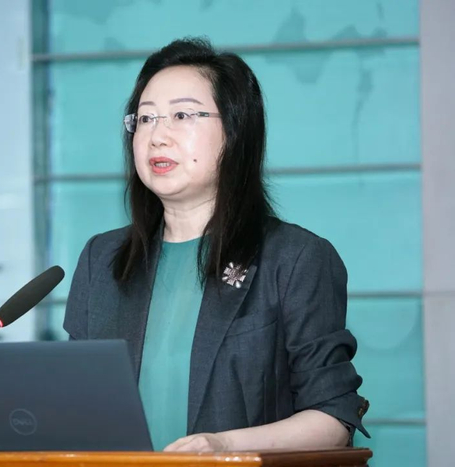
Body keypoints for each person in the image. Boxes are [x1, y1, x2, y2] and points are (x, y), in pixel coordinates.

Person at [63, 37, 369, 452]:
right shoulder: (102, 260)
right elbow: (77, 406)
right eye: (146, 118)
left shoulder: (294, 259)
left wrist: (223, 445)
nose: (157, 136)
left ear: (235, 131)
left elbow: (333, 419)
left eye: (182, 115)